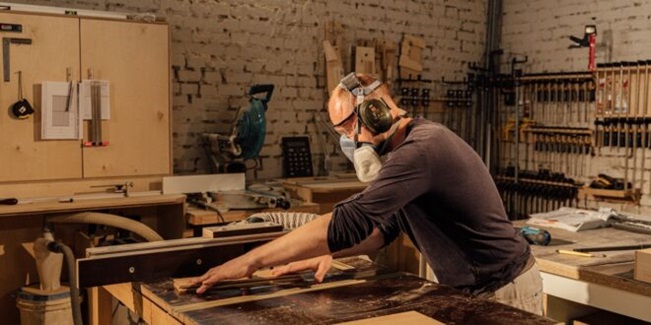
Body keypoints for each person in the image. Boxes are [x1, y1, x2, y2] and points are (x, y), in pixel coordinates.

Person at [191, 72, 543, 315]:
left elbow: (353, 219)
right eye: (340, 131)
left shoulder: (422, 149)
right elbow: (380, 231)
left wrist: (249, 261)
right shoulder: (405, 152)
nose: (349, 139)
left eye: (349, 126)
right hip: (474, 287)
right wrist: (328, 249)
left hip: (503, 288)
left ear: (375, 111)